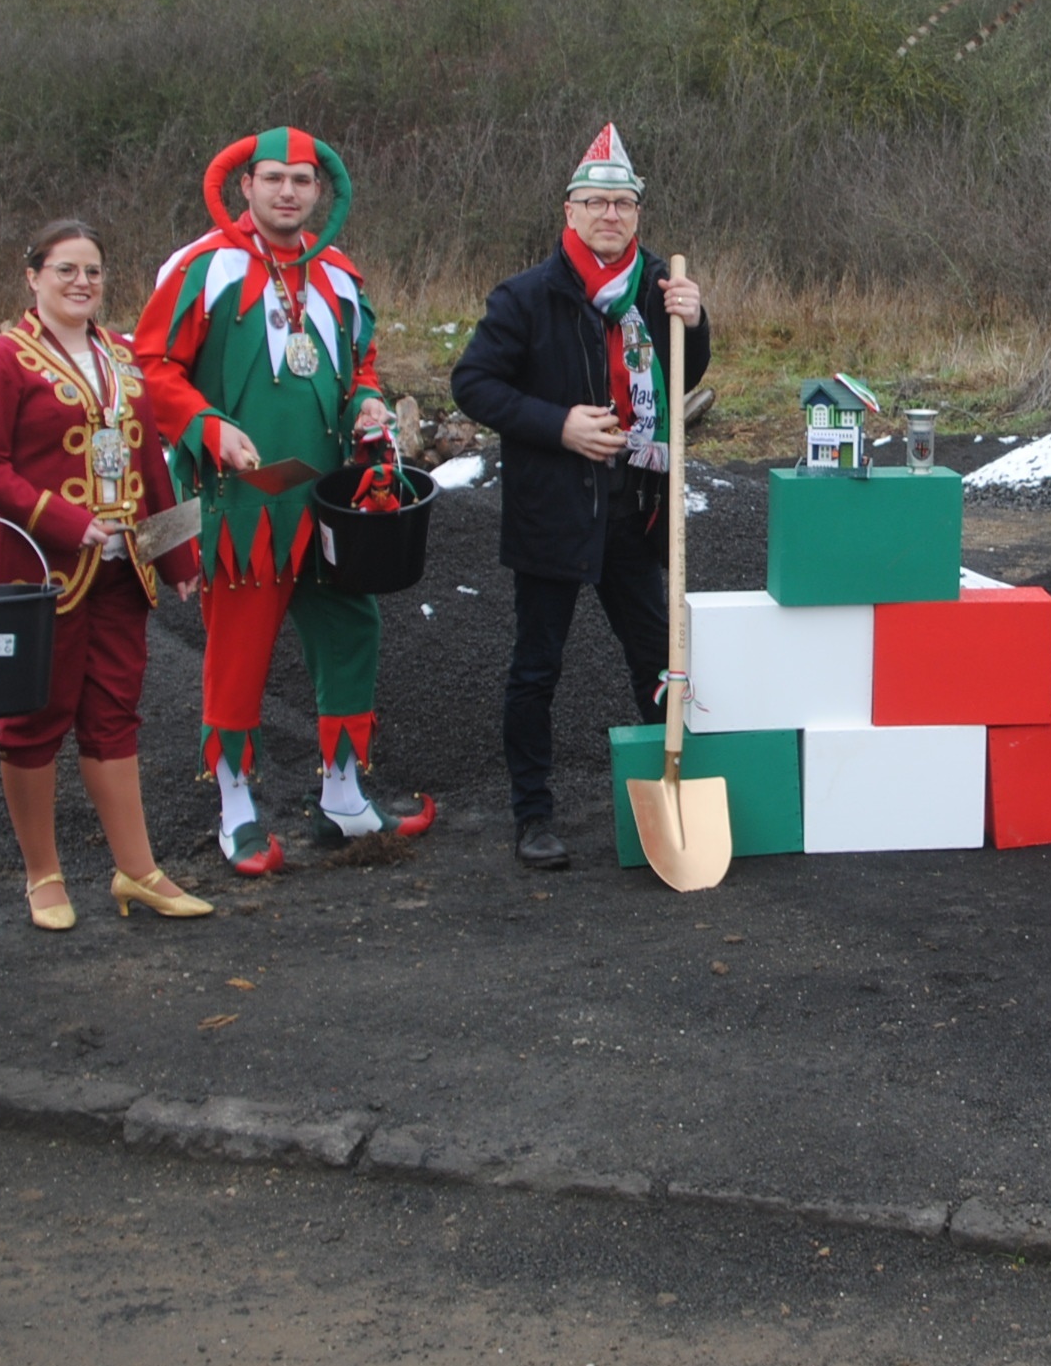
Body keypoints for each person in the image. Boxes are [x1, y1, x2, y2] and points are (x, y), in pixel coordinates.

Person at [136, 127, 434, 877]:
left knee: (353, 628)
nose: (288, 192)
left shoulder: (338, 274)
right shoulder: (202, 268)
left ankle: (343, 794)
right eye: (273, 178)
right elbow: (153, 367)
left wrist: (367, 405)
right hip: (239, 501)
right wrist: (208, 426)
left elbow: (359, 367)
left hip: (329, 501)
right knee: (238, 649)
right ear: (246, 186)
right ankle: (235, 805)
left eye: (302, 180)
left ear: (319, 191)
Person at [450, 125, 710, 871]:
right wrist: (557, 425)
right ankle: (533, 814)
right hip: (554, 511)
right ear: (569, 211)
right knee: (537, 668)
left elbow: (684, 374)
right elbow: (473, 384)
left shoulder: (659, 288)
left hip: (636, 509)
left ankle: (673, 791)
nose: (609, 215)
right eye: (595, 202)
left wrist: (696, 323)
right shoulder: (527, 296)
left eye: (622, 203)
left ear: (637, 213)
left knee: (658, 660)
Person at [0, 221, 212, 929]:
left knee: (114, 713)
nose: (81, 283)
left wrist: (176, 552)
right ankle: (42, 874)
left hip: (120, 569)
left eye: (93, 271)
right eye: (65, 270)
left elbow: (150, 459)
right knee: (33, 717)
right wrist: (65, 522)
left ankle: (137, 868)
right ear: (33, 276)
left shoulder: (122, 357)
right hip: (38, 571)